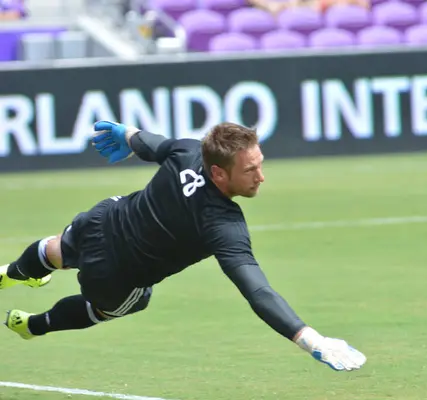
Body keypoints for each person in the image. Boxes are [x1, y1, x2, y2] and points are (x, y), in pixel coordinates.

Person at [1, 120, 367, 372]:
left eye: (260, 164)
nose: (261, 176)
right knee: (122, 304)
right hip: (117, 274)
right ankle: (33, 326)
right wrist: (310, 339)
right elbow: (257, 291)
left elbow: (152, 143)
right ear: (219, 173)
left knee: (56, 250)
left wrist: (127, 133)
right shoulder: (223, 222)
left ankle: (10, 273)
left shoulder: (191, 151)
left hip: (103, 219)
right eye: (250, 170)